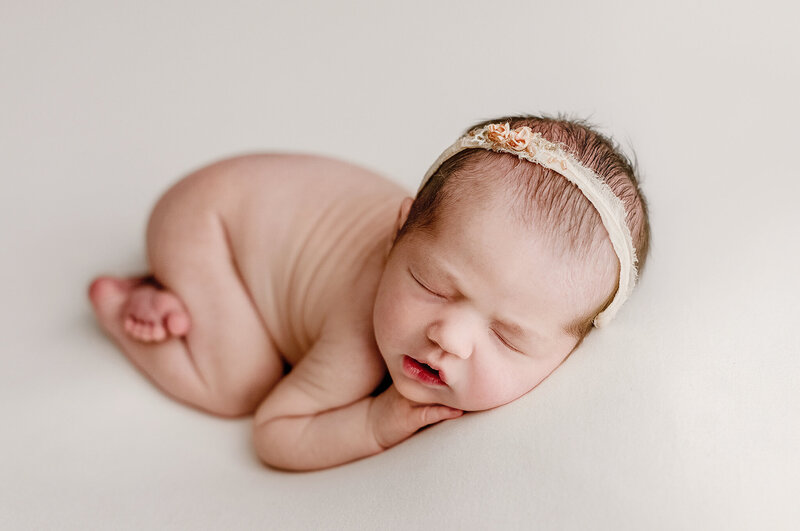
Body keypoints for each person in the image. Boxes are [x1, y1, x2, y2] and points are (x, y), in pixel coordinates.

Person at [88, 115, 650, 471]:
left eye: (507, 336)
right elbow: (277, 433)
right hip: (207, 223)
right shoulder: (359, 335)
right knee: (242, 383)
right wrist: (374, 422)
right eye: (430, 284)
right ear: (396, 234)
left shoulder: (462, 254)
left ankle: (184, 298)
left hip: (255, 210)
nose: (448, 337)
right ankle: (124, 303)